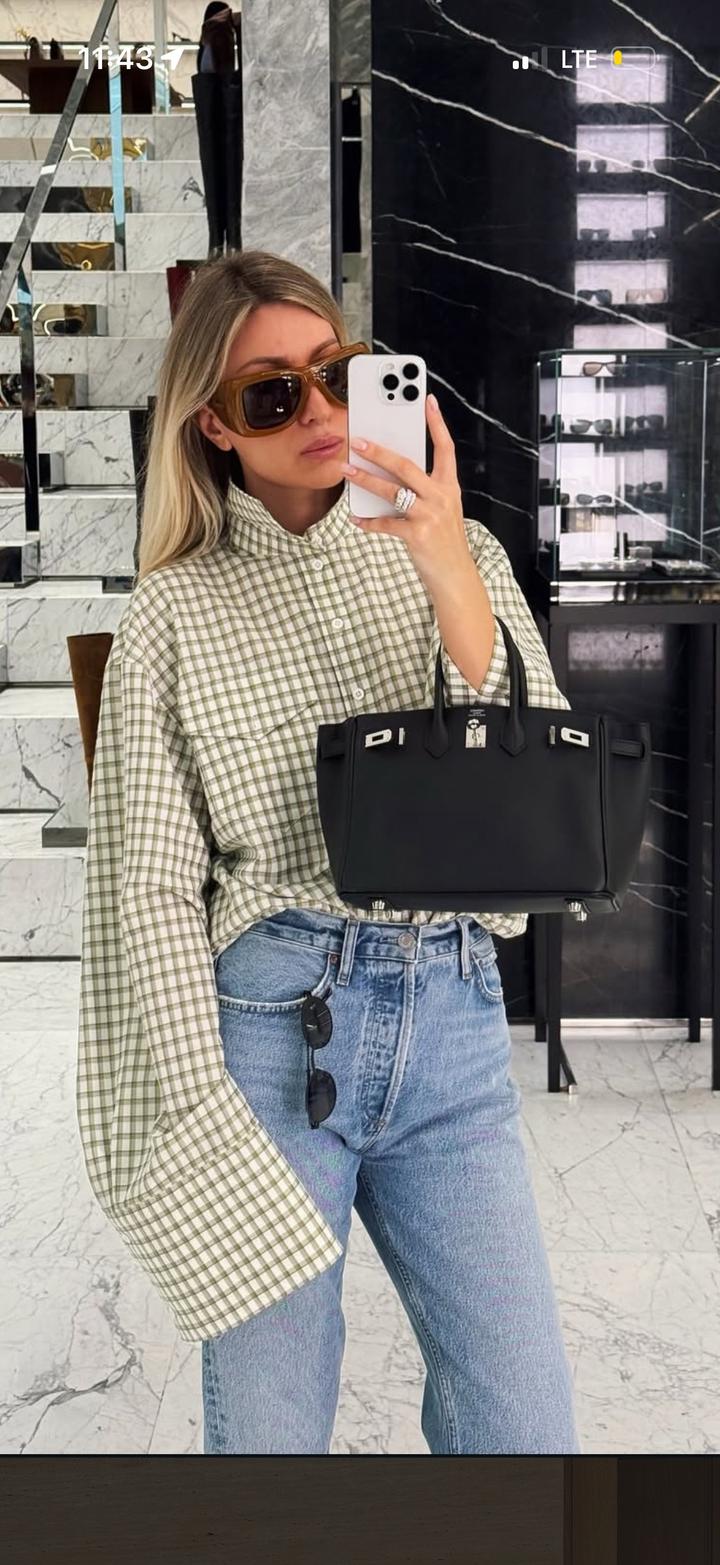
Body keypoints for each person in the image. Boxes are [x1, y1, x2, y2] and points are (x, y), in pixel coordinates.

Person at [75, 248, 581, 1456]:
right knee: (270, 1438)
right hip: (269, 1034)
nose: (318, 409)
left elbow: (536, 765)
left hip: (451, 1014)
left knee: (523, 1421)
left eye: (338, 373)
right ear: (213, 426)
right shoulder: (174, 612)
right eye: (271, 394)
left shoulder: (457, 552)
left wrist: (443, 559)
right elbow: (150, 887)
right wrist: (199, 1106)